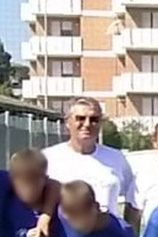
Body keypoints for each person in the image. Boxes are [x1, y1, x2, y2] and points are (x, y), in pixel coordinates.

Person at [43, 96, 140, 229]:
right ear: (67, 122)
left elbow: (133, 202)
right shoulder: (48, 158)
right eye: (80, 118)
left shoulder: (116, 158)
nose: (87, 124)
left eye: (94, 119)